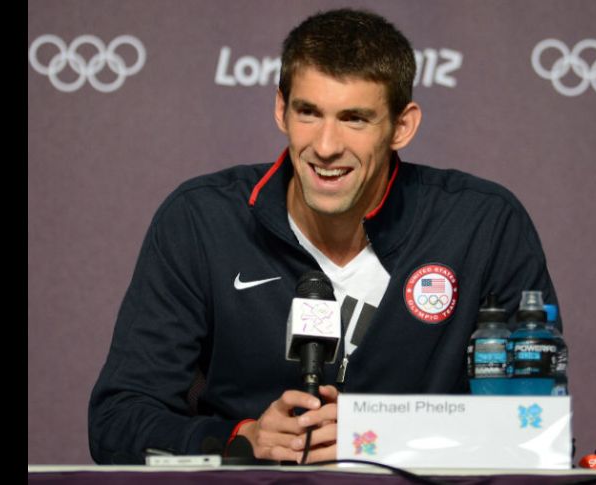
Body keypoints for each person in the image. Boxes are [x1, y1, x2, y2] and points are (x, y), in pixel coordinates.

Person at [88, 8, 561, 465]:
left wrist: (376, 437)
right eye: (308, 112)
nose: (326, 146)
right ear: (281, 109)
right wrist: (241, 438)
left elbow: (537, 429)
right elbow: (117, 421)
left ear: (402, 125)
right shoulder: (201, 220)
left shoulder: (482, 224)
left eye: (355, 118)